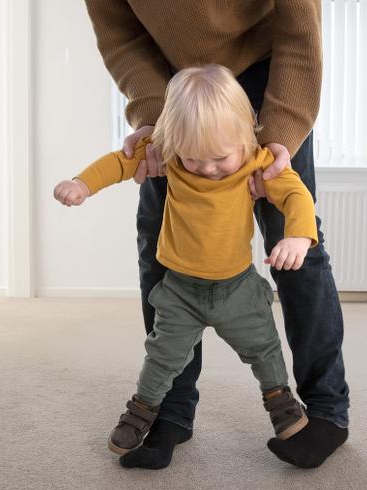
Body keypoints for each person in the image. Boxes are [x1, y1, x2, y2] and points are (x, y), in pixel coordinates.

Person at [84, 0, 350, 469]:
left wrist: (282, 132)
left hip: (268, 71)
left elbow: (298, 32)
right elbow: (121, 36)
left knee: (298, 245)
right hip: (179, 88)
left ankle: (326, 411)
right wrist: (152, 115)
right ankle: (171, 410)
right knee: (160, 247)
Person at [54, 65, 316, 459]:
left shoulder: (257, 162)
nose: (208, 168)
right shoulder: (172, 155)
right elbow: (120, 161)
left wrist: (298, 235)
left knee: (264, 348)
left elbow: (297, 195)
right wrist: (82, 184)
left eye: (220, 158)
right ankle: (141, 410)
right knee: (162, 355)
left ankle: (280, 402)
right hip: (180, 290)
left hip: (237, 288)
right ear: (173, 143)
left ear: (246, 134)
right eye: (194, 160)